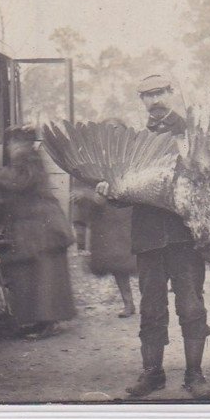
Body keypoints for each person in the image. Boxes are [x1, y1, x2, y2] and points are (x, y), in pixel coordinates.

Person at [95, 74, 210, 399]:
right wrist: (111, 191)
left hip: (184, 235)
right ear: (141, 101)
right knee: (151, 307)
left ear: (172, 93)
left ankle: (194, 374)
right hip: (148, 237)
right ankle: (153, 374)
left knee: (191, 305)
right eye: (147, 95)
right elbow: (125, 189)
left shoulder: (193, 133)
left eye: (160, 92)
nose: (154, 100)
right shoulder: (136, 142)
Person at [0, 126, 77, 339]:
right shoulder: (28, 157)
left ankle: (47, 324)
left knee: (44, 276)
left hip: (42, 226)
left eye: (13, 142)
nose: (10, 147)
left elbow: (19, 181)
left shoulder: (27, 158)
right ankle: (40, 322)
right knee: (34, 275)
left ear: (20, 143)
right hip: (38, 226)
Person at [71, 119, 137, 318]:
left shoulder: (133, 155)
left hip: (128, 213)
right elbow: (84, 182)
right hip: (107, 218)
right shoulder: (94, 158)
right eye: (109, 131)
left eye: (117, 131)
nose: (113, 135)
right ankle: (129, 303)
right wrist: (87, 195)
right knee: (118, 263)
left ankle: (152, 301)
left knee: (139, 260)